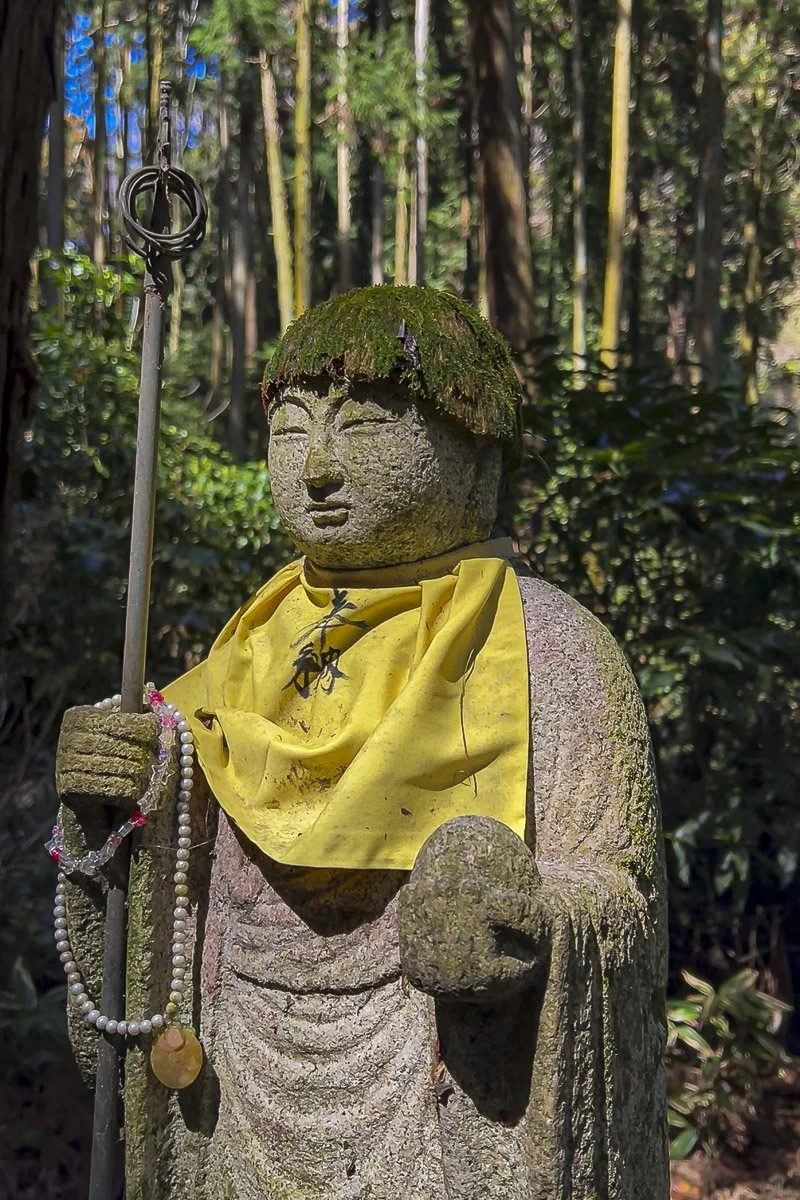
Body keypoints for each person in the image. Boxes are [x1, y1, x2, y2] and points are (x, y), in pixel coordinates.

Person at [56, 286, 668, 1199]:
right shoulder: (252, 645)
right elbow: (169, 876)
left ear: (477, 452)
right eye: (293, 430)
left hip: (443, 1101)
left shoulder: (554, 649)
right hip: (239, 1086)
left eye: (369, 430)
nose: (319, 471)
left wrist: (529, 920)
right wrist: (108, 802)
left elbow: (622, 888)